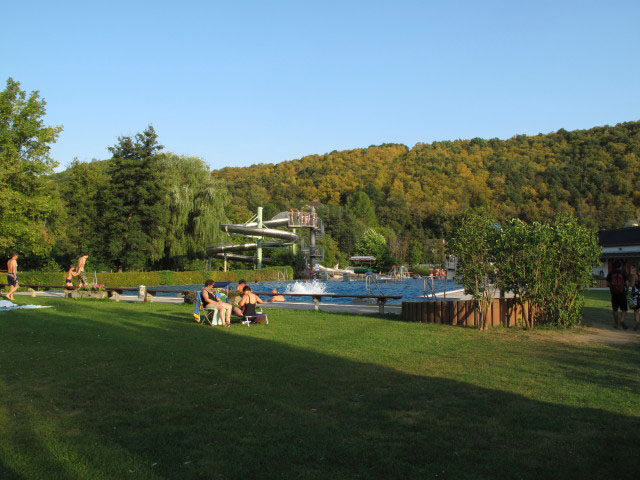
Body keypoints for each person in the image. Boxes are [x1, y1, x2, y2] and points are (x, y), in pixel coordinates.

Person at [606, 260, 629, 329]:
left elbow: (608, 284)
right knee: (624, 309)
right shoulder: (624, 273)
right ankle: (622, 320)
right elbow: (627, 284)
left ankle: (616, 324)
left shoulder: (611, 273)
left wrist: (612, 287)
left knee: (615, 309)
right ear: (620, 266)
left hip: (614, 293)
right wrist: (626, 288)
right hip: (622, 293)